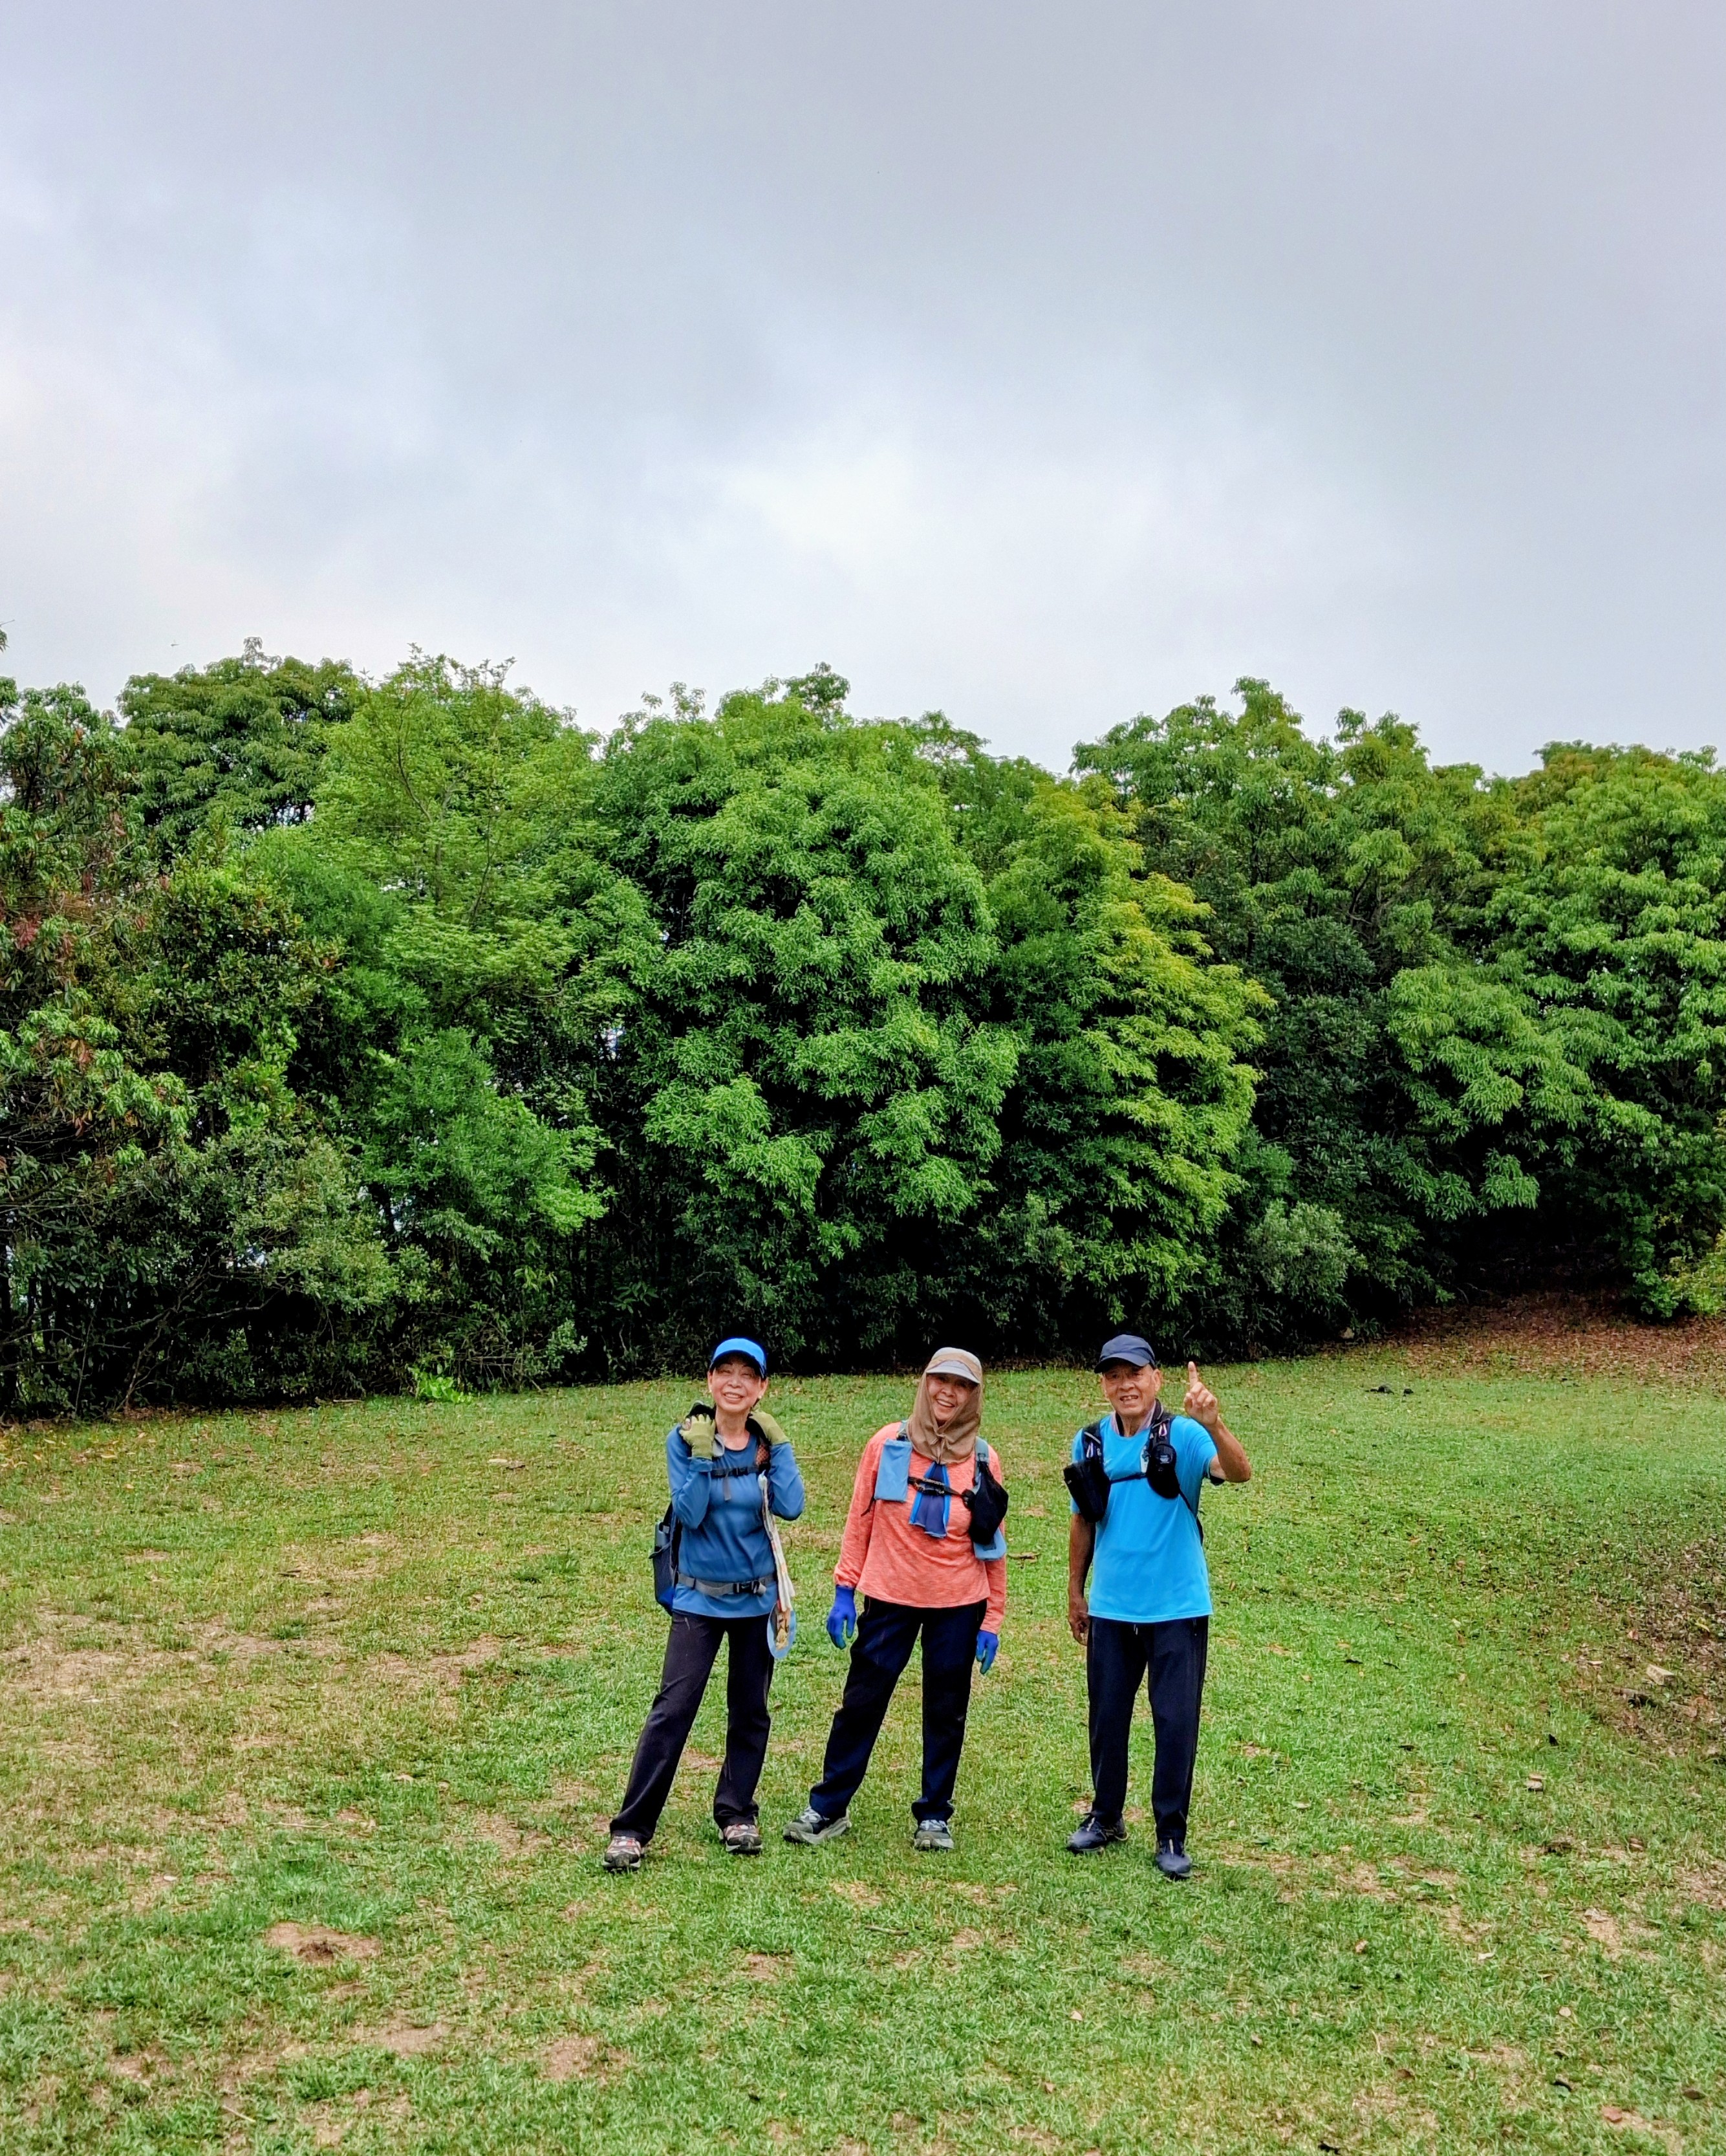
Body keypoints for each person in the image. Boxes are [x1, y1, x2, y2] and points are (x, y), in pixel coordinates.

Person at [783, 1348, 1006, 1855]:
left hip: (958, 1601)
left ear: (973, 1396)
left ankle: (934, 1814)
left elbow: (992, 1541)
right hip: (889, 1596)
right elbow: (859, 1518)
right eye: (940, 1381)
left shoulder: (982, 1458)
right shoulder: (888, 1444)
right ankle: (828, 1806)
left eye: (961, 1385)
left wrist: (992, 1616)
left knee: (946, 1709)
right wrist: (844, 1590)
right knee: (861, 1702)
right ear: (925, 1383)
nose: (948, 1392)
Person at [604, 1337, 804, 1873]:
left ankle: (736, 1813)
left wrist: (780, 1446)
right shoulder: (684, 1439)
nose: (735, 1382)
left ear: (762, 1388)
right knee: (672, 1711)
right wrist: (700, 1455)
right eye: (725, 1371)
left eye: (747, 1374)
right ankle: (631, 1829)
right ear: (710, 1381)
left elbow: (791, 1505)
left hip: (756, 1600)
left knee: (750, 1710)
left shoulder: (765, 1445)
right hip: (698, 1598)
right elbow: (690, 1514)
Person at [1065, 1333, 1251, 1876]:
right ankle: (1105, 1816)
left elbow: (1240, 1471)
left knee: (1174, 1722)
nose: (1124, 1385)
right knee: (1106, 1717)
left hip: (1176, 1607)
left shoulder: (1185, 1435)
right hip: (1111, 1606)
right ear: (1104, 1384)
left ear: (1156, 1378)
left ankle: (1171, 1833)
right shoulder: (1089, 1443)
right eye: (1113, 1375)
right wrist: (1075, 1590)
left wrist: (1214, 1423)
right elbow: (1082, 1519)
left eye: (1134, 1373)